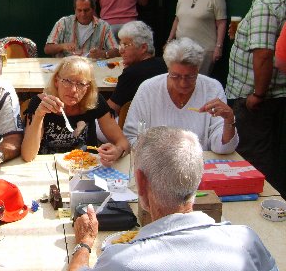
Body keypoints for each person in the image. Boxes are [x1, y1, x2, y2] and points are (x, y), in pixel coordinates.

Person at [70, 126, 278, 271]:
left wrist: (84, 243)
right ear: (198, 177)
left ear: (141, 182)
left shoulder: (122, 261)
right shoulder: (245, 240)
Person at [226, 0, 286, 196]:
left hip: (258, 98)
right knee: (274, 154)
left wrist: (257, 94)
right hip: (280, 96)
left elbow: (263, 54)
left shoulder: (266, 2)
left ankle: (259, 206)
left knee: (253, 156)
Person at [123, 37, 238, 154]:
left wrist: (229, 120)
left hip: (199, 165)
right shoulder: (148, 89)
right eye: (176, 76)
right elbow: (130, 137)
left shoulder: (212, 88)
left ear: (198, 69)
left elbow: (224, 148)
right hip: (157, 163)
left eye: (190, 76)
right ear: (168, 69)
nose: (183, 83)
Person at [21, 55, 129, 165]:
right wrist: (39, 115)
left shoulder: (94, 102)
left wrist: (118, 151)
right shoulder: (41, 103)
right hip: (49, 167)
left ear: (88, 87)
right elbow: (28, 155)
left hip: (86, 167)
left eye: (81, 84)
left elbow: (123, 142)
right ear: (56, 81)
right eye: (67, 81)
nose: (73, 90)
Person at [167, 0, 227, 75]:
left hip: (203, 51)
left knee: (197, 82)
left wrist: (218, 47)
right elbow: (177, 19)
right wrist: (170, 40)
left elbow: (221, 22)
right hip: (181, 49)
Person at [107, 21, 167, 115]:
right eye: (121, 45)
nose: (121, 50)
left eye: (126, 45)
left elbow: (110, 110)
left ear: (143, 48)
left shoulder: (132, 73)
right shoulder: (165, 64)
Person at [44, 0, 119, 59]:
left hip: (92, 66)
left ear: (93, 9)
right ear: (75, 9)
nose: (83, 14)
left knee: (106, 67)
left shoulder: (103, 26)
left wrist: (104, 54)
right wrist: (62, 46)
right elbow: (47, 49)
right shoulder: (63, 23)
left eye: (86, 10)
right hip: (66, 66)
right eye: (79, 10)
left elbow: (116, 50)